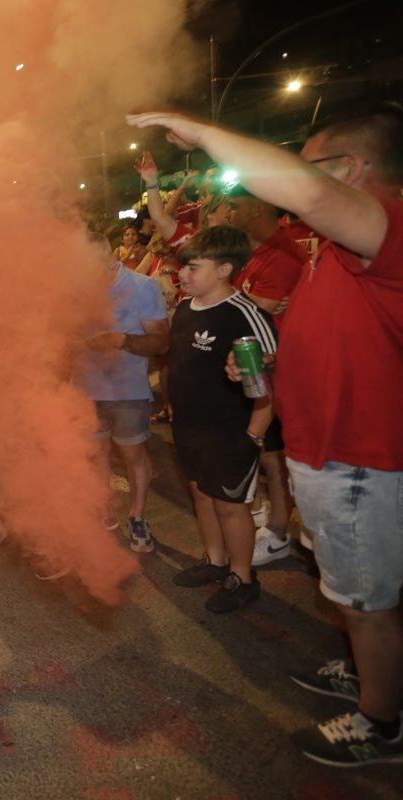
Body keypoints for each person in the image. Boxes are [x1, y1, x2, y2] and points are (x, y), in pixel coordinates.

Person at [130, 103, 402, 766]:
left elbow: (306, 190)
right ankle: (369, 673)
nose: (290, 187)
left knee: (367, 602)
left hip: (359, 457)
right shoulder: (330, 250)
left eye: (311, 165)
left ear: (355, 170)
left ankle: (381, 720)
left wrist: (204, 136)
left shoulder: (388, 223)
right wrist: (274, 363)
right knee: (348, 592)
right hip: (324, 452)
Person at [163, 226, 276, 614]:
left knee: (231, 506)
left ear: (225, 268)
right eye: (183, 267)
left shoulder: (245, 314)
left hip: (231, 430)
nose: (183, 275)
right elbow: (178, 364)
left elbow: (271, 380)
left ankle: (242, 578)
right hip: (189, 427)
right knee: (201, 495)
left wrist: (253, 437)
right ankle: (214, 561)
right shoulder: (183, 309)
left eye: (194, 267)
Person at [225, 184, 309, 568]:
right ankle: (272, 522)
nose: (228, 213)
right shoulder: (259, 252)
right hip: (264, 367)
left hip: (283, 370)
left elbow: (257, 308)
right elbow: (247, 303)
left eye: (234, 206)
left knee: (280, 458)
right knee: (269, 454)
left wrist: (232, 296)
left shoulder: (283, 252)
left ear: (258, 208)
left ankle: (279, 532)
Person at [76, 237, 169, 552]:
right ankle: (103, 511)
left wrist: (122, 341)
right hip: (86, 389)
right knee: (96, 455)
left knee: (132, 456)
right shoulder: (73, 289)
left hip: (128, 390)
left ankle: (138, 516)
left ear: (109, 255)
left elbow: (161, 343)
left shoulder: (142, 287)